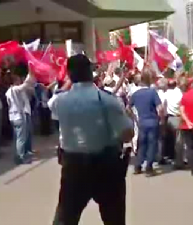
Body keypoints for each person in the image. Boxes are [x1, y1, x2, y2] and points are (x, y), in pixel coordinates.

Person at [51, 54, 134, 225]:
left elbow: (55, 101)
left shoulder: (59, 101)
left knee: (65, 217)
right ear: (91, 72)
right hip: (106, 165)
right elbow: (127, 133)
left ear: (69, 75)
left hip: (73, 166)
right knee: (114, 218)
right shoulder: (108, 100)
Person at [130, 68, 163, 176]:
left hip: (142, 121)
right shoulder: (152, 92)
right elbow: (160, 107)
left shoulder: (135, 94)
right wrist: (161, 118)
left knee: (142, 144)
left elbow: (127, 108)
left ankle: (138, 166)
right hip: (152, 121)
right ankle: (149, 166)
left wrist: (134, 118)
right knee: (152, 144)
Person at [5, 62, 36, 165]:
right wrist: (30, 73)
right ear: (15, 81)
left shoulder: (9, 91)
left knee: (18, 137)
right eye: (18, 79)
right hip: (18, 116)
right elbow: (25, 85)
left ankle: (19, 154)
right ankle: (20, 157)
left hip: (13, 116)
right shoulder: (15, 89)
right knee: (21, 138)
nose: (20, 81)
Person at [164, 77, 187, 169]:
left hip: (168, 118)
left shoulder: (166, 94)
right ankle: (179, 162)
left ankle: (170, 158)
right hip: (177, 117)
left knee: (169, 140)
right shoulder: (180, 94)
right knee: (179, 142)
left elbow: (163, 105)